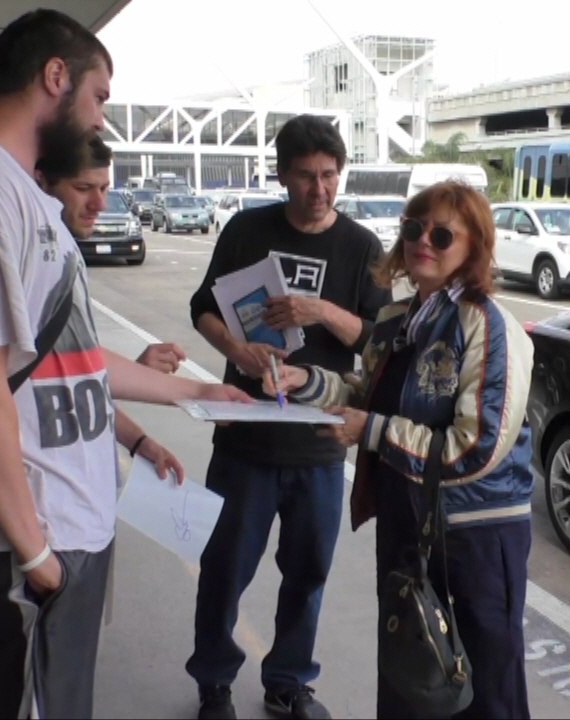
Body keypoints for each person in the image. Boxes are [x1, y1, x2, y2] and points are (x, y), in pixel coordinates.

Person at [0, 10, 249, 719]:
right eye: (100, 97)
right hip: (21, 544)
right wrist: (36, 557)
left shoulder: (23, 199)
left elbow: (74, 364)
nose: (98, 119)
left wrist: (198, 390)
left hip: (65, 528)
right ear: (55, 77)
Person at [266, 181, 536, 719]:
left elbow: (474, 447)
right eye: (414, 229)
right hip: (406, 522)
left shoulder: (487, 325)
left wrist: (372, 431)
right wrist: (304, 381)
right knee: (411, 670)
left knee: (482, 684)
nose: (424, 242)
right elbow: (363, 393)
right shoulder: (396, 320)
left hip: (474, 536)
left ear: (474, 248)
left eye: (442, 234)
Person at [186, 114, 391, 720]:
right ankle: (215, 681)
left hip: (321, 445)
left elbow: (377, 344)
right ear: (282, 174)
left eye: (330, 176)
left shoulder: (360, 247)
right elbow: (202, 307)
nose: (320, 189)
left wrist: (322, 309)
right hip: (246, 439)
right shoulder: (247, 229)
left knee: (307, 574)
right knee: (224, 568)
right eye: (306, 176)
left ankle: (289, 681)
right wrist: (238, 351)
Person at [36, 133, 192, 462]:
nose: (100, 204)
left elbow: (75, 376)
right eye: (83, 188)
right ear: (43, 184)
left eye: (104, 189)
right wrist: (202, 393)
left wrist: (137, 441)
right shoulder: (37, 264)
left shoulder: (64, 253)